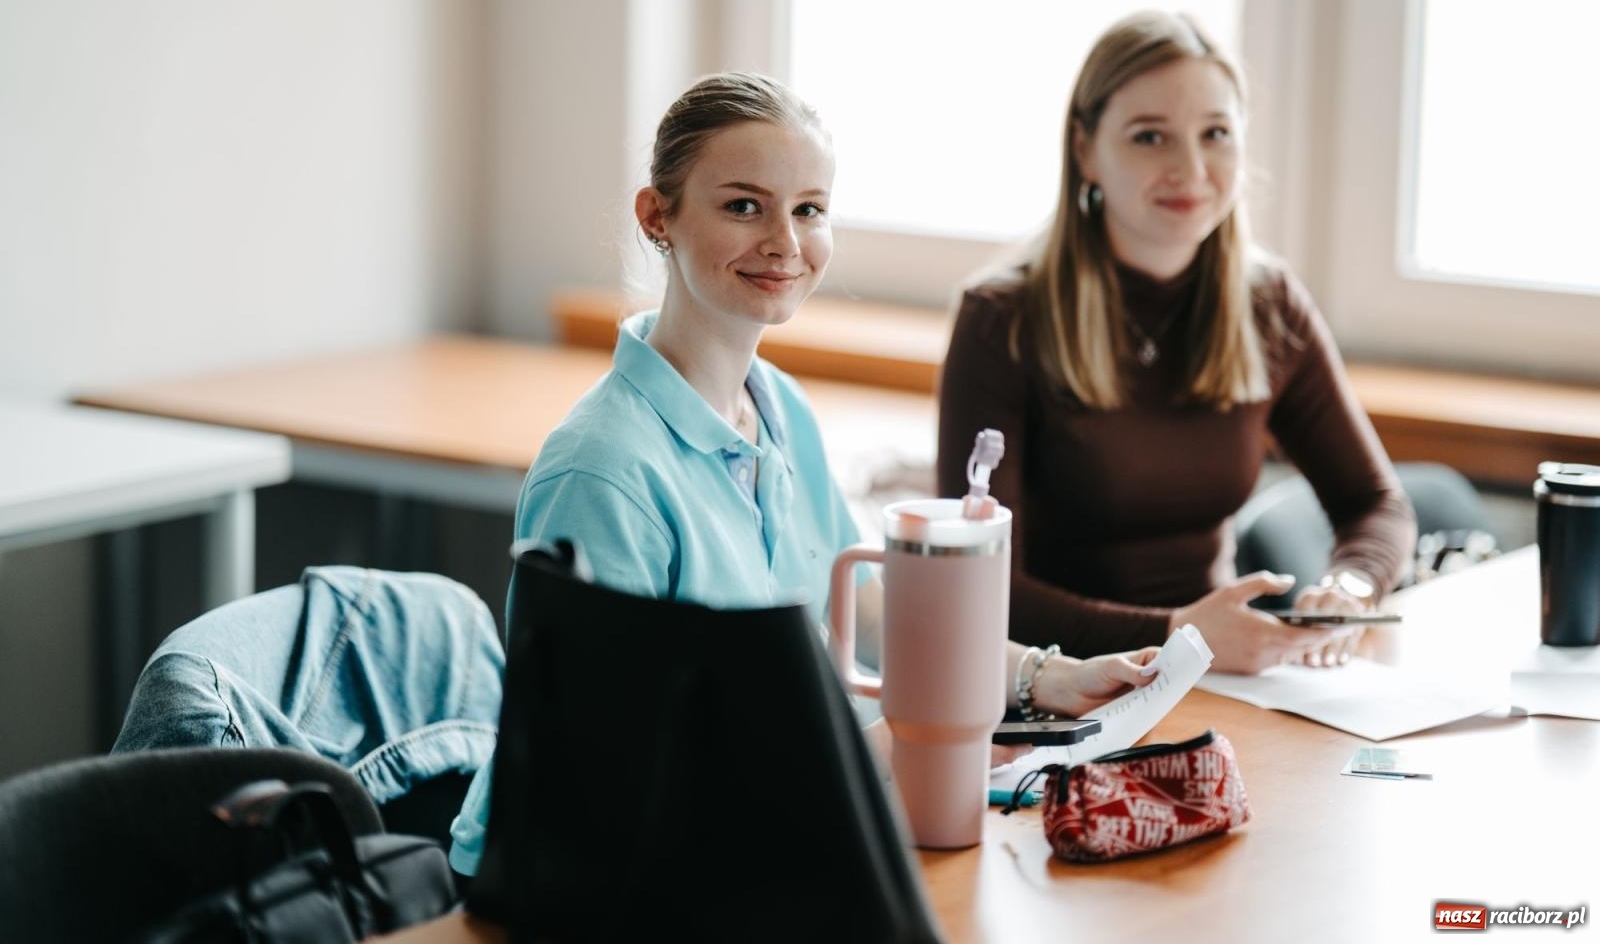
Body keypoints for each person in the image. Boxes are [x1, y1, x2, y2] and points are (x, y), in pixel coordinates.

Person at [449, 72, 1159, 877]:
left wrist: (1042, 676)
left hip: (742, 841)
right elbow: (612, 762)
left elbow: (855, 598)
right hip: (577, 882)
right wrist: (902, 742)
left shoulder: (777, 404)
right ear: (659, 217)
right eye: (744, 205)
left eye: (809, 209)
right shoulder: (603, 471)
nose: (785, 241)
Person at [936, 11, 1417, 676]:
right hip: (1057, 683)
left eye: (1215, 133)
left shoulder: (1269, 303)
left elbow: (1376, 504)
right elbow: (986, 590)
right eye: (1149, 137)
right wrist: (1178, 632)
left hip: (1220, 678)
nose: (1190, 168)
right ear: (1085, 151)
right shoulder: (1001, 318)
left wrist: (1353, 586)